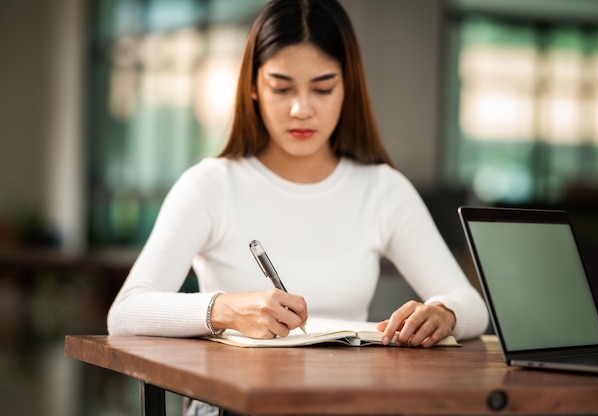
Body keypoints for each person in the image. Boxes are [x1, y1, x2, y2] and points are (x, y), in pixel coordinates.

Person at [108, 0, 487, 391]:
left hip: (344, 398)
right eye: (281, 87)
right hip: (231, 404)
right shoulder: (211, 185)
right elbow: (125, 313)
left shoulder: (383, 190)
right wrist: (224, 309)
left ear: (347, 87)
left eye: (323, 88)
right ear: (253, 86)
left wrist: (444, 312)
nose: (301, 109)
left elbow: (472, 304)